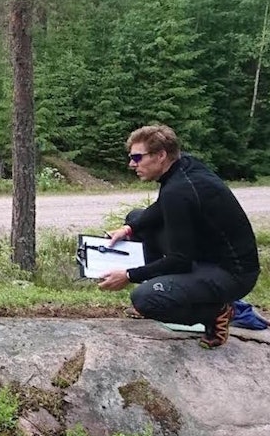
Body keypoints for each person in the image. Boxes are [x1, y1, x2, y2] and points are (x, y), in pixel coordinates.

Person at [98, 124, 260, 349]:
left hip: (233, 274)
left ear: (161, 155)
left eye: (137, 157)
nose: (131, 164)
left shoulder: (178, 191)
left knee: (145, 299)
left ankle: (218, 312)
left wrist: (128, 275)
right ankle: (171, 286)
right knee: (136, 218)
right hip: (208, 254)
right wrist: (129, 229)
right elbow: (161, 207)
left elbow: (180, 260)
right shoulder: (184, 167)